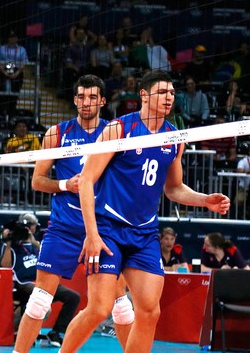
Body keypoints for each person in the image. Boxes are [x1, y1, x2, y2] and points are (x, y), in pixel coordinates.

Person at [61, 69, 230, 353]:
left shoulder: (174, 136)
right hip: (108, 229)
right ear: (143, 94)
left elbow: (174, 189)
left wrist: (205, 200)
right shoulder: (118, 129)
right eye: (162, 92)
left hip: (144, 234)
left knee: (150, 312)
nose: (169, 97)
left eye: (172, 93)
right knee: (99, 309)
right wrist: (91, 234)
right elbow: (87, 180)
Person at [13, 75, 132, 352]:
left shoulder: (115, 132)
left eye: (92, 97)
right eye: (81, 97)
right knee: (40, 300)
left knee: (121, 305)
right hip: (64, 227)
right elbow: (38, 180)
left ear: (103, 101)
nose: (86, 102)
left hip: (104, 230)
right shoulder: (57, 133)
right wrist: (66, 184)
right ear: (75, 99)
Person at [0, 214, 80, 348]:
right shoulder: (12, 245)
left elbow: (48, 255)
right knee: (40, 299)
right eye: (28, 225)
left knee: (73, 297)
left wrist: (32, 241)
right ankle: (25, 335)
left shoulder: (38, 243)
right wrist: (8, 243)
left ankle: (56, 332)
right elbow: (5, 266)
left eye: (32, 225)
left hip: (43, 280)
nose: (30, 228)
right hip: (23, 283)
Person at [0, 30, 29, 113]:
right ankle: (1, 112)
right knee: (2, 94)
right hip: (3, 71)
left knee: (14, 94)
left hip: (17, 73)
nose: (13, 39)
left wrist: (16, 73)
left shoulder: (21, 49)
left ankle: (12, 112)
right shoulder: (2, 48)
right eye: (11, 37)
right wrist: (5, 73)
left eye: (14, 37)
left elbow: (24, 62)